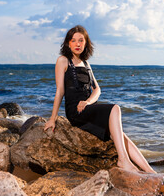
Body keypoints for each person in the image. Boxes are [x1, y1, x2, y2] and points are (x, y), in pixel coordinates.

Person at [44, 25, 156, 174]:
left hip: (89, 108)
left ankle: (150, 171)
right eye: (74, 40)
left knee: (121, 136)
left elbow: (97, 89)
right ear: (68, 43)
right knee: (115, 108)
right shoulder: (63, 61)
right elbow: (60, 91)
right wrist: (53, 118)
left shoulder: (86, 64)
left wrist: (88, 102)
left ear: (86, 43)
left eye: (81, 40)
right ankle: (123, 160)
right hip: (75, 112)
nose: (78, 44)